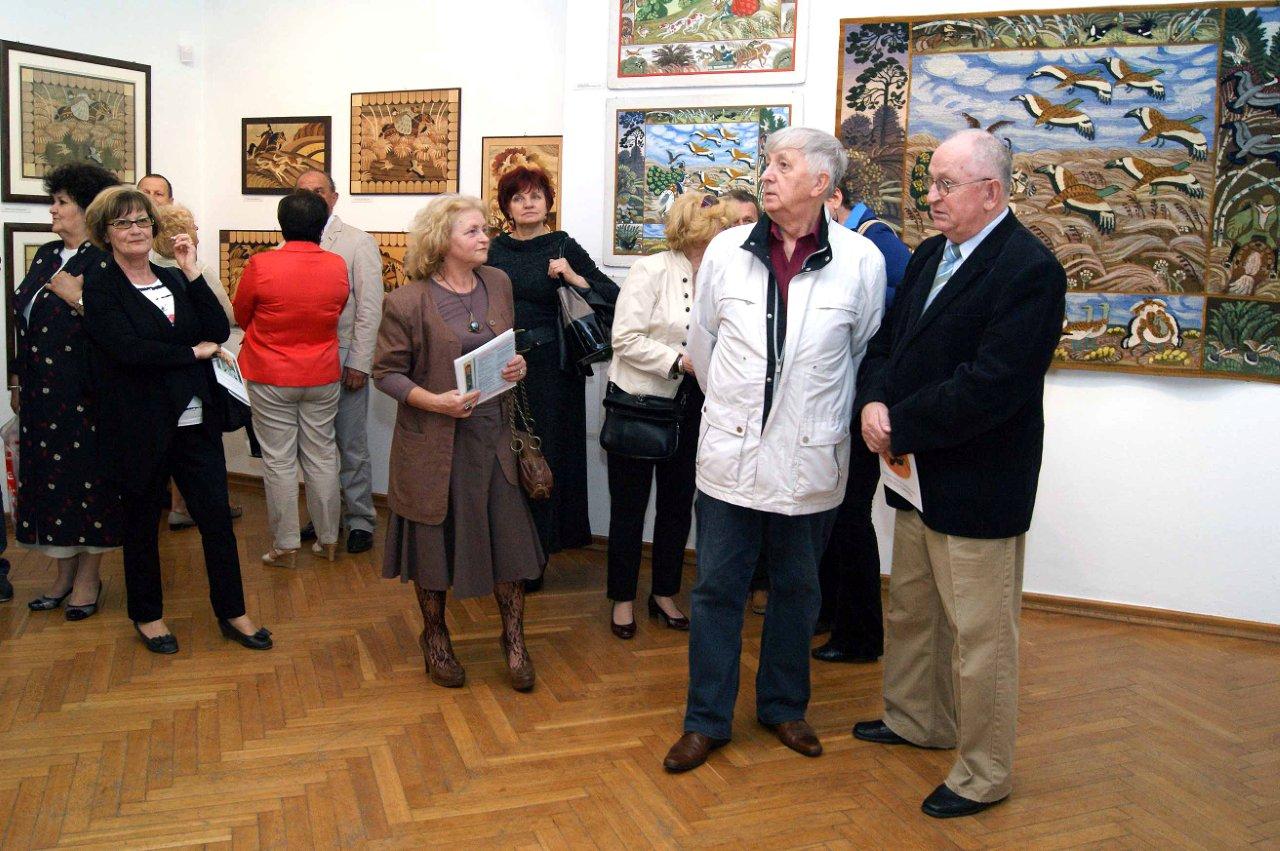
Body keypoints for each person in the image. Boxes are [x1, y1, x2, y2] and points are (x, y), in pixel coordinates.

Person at [851, 129, 1065, 819]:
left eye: (945, 184)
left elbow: (992, 386)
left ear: (991, 192)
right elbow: (887, 344)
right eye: (930, 182)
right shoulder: (929, 255)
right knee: (913, 610)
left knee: (981, 638)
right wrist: (873, 400)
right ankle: (918, 719)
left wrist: (898, 422)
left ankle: (983, 772)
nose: (931, 197)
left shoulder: (1029, 269)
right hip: (914, 476)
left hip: (977, 484)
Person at [663, 128, 886, 773]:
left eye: (783, 165)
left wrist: (800, 416)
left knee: (798, 590)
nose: (766, 175)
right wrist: (741, 414)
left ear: (821, 182)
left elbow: (862, 352)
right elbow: (703, 345)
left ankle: (784, 707)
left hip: (810, 458)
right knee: (716, 591)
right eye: (767, 163)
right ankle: (706, 719)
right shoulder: (726, 251)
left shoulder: (861, 260)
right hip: (730, 457)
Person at [80, 186, 271, 654]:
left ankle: (233, 612)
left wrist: (191, 269)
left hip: (195, 419)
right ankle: (147, 616)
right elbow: (127, 350)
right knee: (142, 522)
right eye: (124, 222)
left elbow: (216, 329)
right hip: (140, 425)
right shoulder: (102, 284)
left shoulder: (171, 276)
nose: (136, 230)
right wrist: (190, 354)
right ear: (106, 232)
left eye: (143, 221)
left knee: (216, 519)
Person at [373, 194, 540, 691]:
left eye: (485, 228)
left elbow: (504, 348)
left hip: (493, 439)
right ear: (442, 241)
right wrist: (434, 401)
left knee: (509, 543)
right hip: (434, 444)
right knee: (433, 548)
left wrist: (517, 366)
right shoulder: (407, 302)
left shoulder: (499, 282)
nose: (485, 237)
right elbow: (386, 374)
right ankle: (436, 637)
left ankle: (514, 640)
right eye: (473, 231)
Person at [605, 192, 732, 639]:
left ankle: (663, 593)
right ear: (694, 228)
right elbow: (624, 339)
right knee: (629, 508)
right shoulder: (651, 270)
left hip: (695, 407)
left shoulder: (722, 276)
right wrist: (678, 361)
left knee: (677, 506)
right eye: (717, 224)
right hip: (642, 404)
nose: (724, 231)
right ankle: (622, 598)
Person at [486, 166, 618, 588]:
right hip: (500, 363)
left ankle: (538, 554)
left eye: (536, 196)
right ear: (506, 206)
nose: (528, 204)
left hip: (551, 370)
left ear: (548, 203)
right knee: (503, 457)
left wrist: (572, 276)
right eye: (518, 197)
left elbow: (613, 296)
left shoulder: (562, 245)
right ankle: (506, 549)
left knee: (544, 457)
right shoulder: (493, 248)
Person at [11, 162, 122, 620]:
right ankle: (61, 575)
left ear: (87, 209)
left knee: (86, 485)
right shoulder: (46, 255)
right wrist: (18, 380)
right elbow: (25, 323)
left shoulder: (104, 261)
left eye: (62, 202)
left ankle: (88, 578)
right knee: (51, 484)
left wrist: (77, 299)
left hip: (86, 398)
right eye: (52, 201)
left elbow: (119, 331)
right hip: (41, 396)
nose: (53, 210)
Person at [810, 166, 911, 665]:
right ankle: (831, 614)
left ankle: (860, 634)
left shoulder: (876, 240)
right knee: (833, 513)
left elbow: (904, 313)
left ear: (834, 197)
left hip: (864, 398)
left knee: (850, 517)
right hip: (844, 397)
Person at [234, 191, 349, 566]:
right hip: (322, 372)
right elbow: (338, 308)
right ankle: (329, 540)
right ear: (322, 223)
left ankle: (285, 545)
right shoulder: (336, 265)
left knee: (279, 460)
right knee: (322, 456)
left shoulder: (261, 264)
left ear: (282, 224)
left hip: (271, 373)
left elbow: (242, 313)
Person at [294, 170, 382, 555]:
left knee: (351, 445)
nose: (312, 198)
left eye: (319, 191)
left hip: (346, 356)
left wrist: (360, 361)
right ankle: (324, 517)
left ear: (334, 197)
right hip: (304, 361)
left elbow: (370, 307)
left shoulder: (357, 242)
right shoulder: (290, 241)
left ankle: (360, 519)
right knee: (314, 447)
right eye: (304, 192)